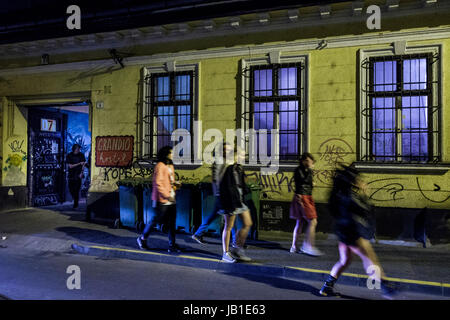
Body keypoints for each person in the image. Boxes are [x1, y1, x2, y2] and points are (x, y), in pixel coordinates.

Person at [319, 165, 397, 299]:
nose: (360, 181)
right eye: (358, 179)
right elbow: (366, 210)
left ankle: (327, 287)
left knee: (344, 260)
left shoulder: (338, 194)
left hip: (343, 233)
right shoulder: (351, 197)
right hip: (354, 233)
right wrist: (365, 193)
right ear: (352, 181)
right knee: (370, 261)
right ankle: (386, 288)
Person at [137, 146, 182, 253]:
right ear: (166, 154)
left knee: (172, 222)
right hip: (161, 199)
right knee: (155, 221)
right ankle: (142, 238)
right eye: (171, 153)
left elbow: (169, 181)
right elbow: (158, 183)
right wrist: (166, 195)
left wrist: (176, 185)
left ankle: (172, 244)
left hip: (171, 198)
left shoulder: (170, 165)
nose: (173, 154)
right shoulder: (160, 166)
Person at [191, 142, 237, 245]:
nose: (227, 151)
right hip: (222, 194)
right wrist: (220, 192)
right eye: (225, 149)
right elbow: (216, 178)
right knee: (229, 217)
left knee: (220, 216)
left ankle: (198, 234)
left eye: (229, 149)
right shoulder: (219, 161)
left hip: (224, 194)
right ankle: (235, 241)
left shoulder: (227, 161)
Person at [219, 146, 253, 263]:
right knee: (228, 227)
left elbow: (241, 184)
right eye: (242, 155)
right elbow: (226, 187)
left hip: (239, 199)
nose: (244, 157)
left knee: (248, 223)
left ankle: (237, 250)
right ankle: (225, 253)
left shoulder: (239, 168)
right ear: (235, 156)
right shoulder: (228, 168)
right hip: (231, 201)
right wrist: (230, 204)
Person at [289, 152, 322, 256]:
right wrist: (310, 171)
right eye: (307, 160)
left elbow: (306, 182)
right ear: (302, 161)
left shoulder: (305, 170)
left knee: (300, 222)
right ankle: (308, 246)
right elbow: (303, 180)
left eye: (310, 160)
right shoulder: (299, 170)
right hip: (302, 197)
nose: (309, 162)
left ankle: (294, 247)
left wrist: (312, 183)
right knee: (312, 221)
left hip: (305, 196)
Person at [66, 144, 86, 209]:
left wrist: (81, 173)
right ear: (74, 149)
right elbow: (70, 166)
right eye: (78, 149)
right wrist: (79, 163)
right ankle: (75, 199)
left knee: (77, 190)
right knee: (71, 189)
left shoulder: (81, 155)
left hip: (78, 175)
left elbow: (83, 165)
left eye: (79, 149)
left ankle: (75, 204)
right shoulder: (69, 155)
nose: (79, 150)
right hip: (71, 175)